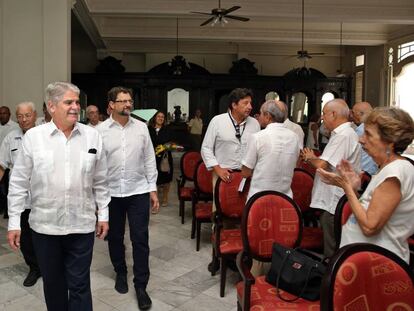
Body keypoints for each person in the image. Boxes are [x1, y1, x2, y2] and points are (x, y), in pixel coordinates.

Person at [7, 82, 110, 311]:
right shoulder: (34, 138)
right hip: (45, 229)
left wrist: (103, 215)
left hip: (81, 226)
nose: (75, 107)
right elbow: (18, 182)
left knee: (80, 285)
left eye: (76, 102)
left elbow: (101, 181)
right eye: (69, 102)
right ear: (51, 106)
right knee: (53, 285)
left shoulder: (92, 137)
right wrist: (14, 222)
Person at [318, 107, 414, 263]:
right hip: (365, 260)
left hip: (376, 264)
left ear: (389, 142)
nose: (361, 139)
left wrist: (346, 187)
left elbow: (370, 227)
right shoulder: (388, 168)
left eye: (368, 134)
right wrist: (354, 188)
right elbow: (369, 212)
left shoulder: (395, 172)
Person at [97, 86, 158, 311]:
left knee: (140, 238)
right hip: (111, 193)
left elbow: (149, 159)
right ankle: (120, 272)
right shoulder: (100, 131)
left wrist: (152, 189)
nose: (128, 104)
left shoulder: (142, 128)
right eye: (122, 101)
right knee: (114, 237)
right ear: (112, 104)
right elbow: (95, 165)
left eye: (129, 100)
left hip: (138, 190)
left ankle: (141, 285)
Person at [201, 87, 260, 272]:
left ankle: (240, 256)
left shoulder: (254, 124)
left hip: (245, 178)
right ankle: (216, 256)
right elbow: (206, 148)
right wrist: (217, 168)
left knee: (244, 216)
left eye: (250, 103)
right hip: (222, 177)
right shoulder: (217, 121)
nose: (250, 107)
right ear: (234, 105)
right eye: (245, 103)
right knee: (219, 216)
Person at [301, 99, 361, 258]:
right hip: (334, 199)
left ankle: (332, 280)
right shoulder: (341, 134)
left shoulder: (343, 135)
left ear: (334, 114)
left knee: (333, 249)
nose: (322, 118)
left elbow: (322, 164)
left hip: (335, 202)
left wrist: (309, 158)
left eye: (324, 114)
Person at [0, 101, 41, 286]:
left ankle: (49, 266)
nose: (24, 119)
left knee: (44, 235)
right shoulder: (11, 138)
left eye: (27, 115)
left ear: (35, 115)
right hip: (22, 199)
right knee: (25, 238)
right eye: (20, 116)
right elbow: (2, 165)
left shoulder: (44, 135)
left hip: (43, 198)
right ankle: (34, 268)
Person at [242, 100, 300, 201]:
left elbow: (245, 173)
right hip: (285, 199)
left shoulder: (257, 137)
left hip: (259, 199)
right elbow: (295, 164)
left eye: (261, 113)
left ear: (268, 116)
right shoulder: (294, 137)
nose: (259, 116)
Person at [148, 111, 173, 208]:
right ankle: (155, 199)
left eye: (162, 117)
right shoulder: (149, 129)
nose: (160, 118)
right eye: (159, 116)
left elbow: (170, 141)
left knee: (166, 178)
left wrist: (162, 146)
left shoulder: (167, 129)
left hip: (165, 157)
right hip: (152, 157)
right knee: (154, 179)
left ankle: (165, 197)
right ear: (155, 118)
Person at [351, 102, 378, 175]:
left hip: (362, 174)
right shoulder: (376, 127)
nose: (351, 116)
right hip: (372, 172)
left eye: (353, 113)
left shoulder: (361, 130)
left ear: (361, 114)